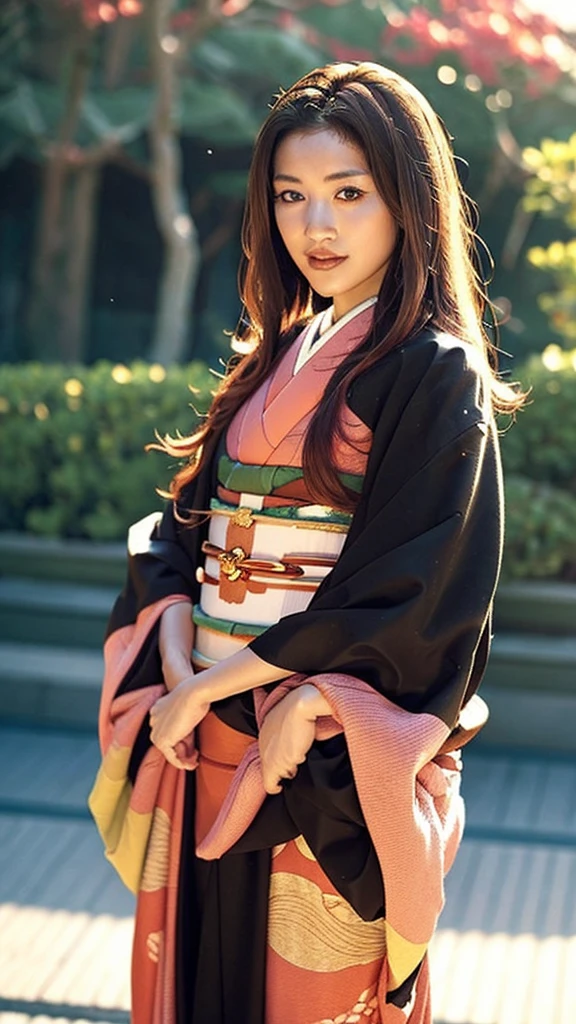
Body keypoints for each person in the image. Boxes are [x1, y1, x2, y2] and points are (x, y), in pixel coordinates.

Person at [89, 61, 523, 1024]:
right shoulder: (276, 349)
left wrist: (273, 691)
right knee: (204, 980)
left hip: (313, 753)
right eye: (290, 195)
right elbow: (183, 530)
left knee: (302, 988)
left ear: (407, 202)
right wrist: (176, 649)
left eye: (348, 194)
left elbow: (420, 587)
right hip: (205, 731)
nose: (314, 226)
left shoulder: (433, 370)